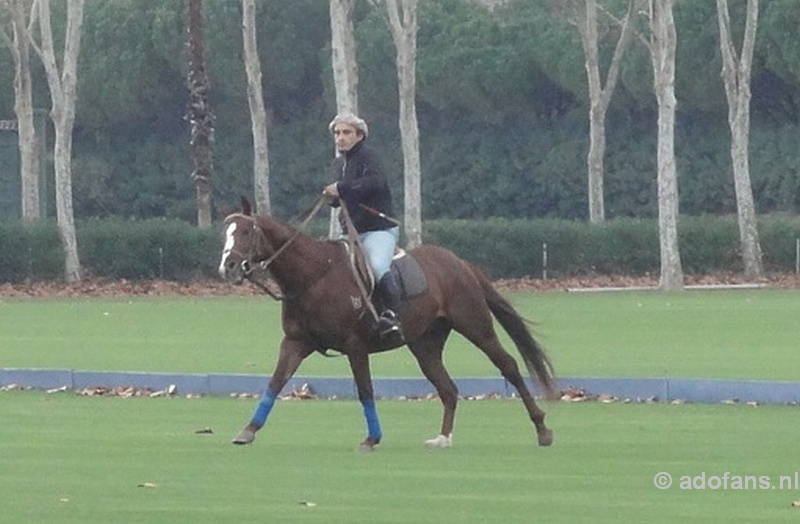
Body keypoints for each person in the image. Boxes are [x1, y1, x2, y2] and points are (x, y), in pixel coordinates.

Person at [322, 112, 402, 338]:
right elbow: (343, 197)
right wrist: (333, 198)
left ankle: (392, 316)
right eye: (337, 133)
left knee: (376, 266)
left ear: (360, 135)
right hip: (351, 233)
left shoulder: (370, 157)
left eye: (346, 132)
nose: (340, 138)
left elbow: (374, 184)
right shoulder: (339, 164)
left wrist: (341, 189)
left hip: (379, 229)